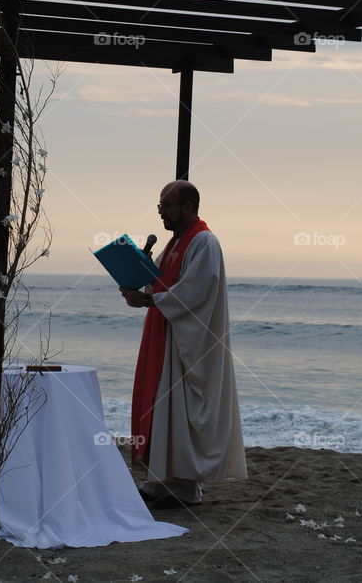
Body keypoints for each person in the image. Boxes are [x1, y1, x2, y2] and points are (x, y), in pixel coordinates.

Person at [120, 180, 247, 510]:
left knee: (182, 409)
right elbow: (161, 280)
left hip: (187, 341)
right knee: (163, 408)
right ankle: (159, 481)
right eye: (159, 206)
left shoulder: (203, 242)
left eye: (166, 206)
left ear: (188, 207)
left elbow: (195, 291)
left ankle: (186, 488)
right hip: (166, 335)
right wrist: (138, 268)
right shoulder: (174, 243)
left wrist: (147, 299)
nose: (160, 211)